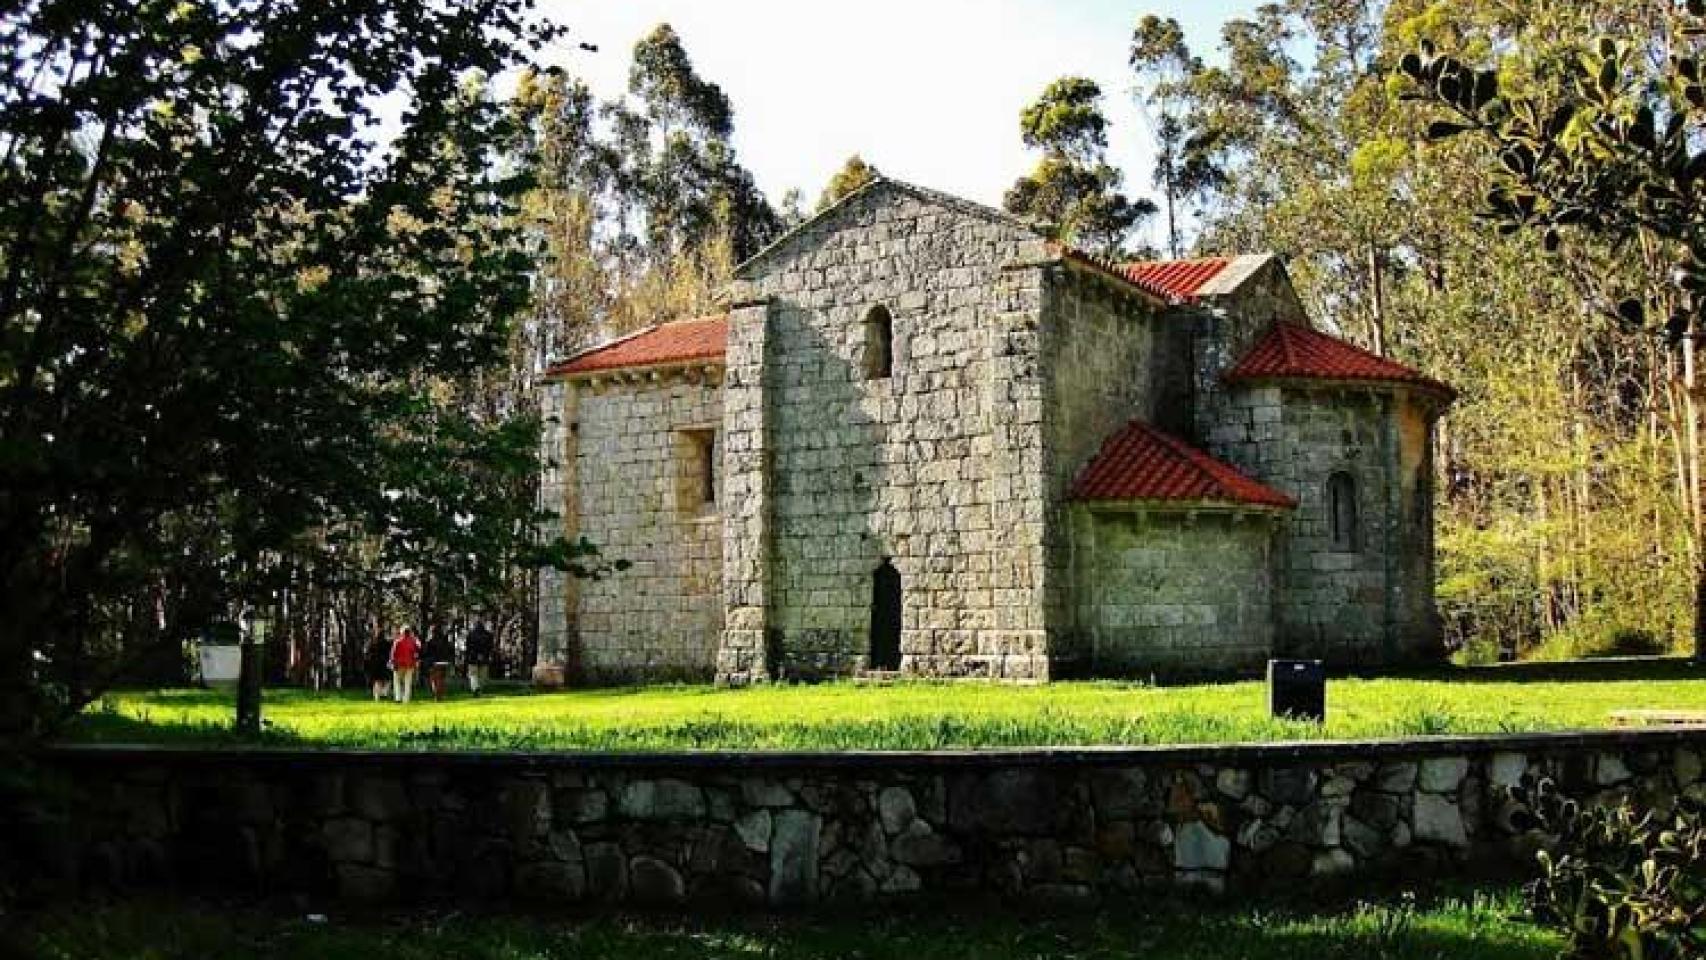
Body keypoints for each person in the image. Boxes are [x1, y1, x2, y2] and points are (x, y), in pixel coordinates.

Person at [389, 625, 421, 703]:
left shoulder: (397, 641)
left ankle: (398, 698)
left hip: (399, 664)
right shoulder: (413, 642)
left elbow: (393, 654)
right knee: (407, 682)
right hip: (410, 664)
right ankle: (406, 699)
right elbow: (417, 651)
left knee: (397, 681)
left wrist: (392, 662)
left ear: (401, 632)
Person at [464, 620, 495, 695]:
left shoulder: (471, 635)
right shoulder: (488, 635)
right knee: (483, 675)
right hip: (484, 657)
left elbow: (468, 647)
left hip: (473, 657)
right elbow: (490, 647)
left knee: (473, 674)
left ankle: (475, 688)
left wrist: (467, 657)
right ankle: (479, 689)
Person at [423, 628, 453, 701]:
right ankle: (441, 694)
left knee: (434, 679)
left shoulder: (430, 642)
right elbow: (449, 650)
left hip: (434, 662)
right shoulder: (445, 641)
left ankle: (437, 694)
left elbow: (426, 653)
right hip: (444, 662)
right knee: (441, 679)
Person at [363, 631, 391, 701]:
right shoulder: (386, 643)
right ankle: (384, 693)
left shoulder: (371, 643)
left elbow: (366, 653)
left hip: (373, 664)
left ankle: (376, 696)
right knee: (385, 679)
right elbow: (390, 653)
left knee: (376, 680)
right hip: (383, 663)